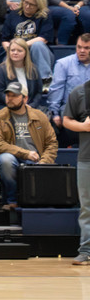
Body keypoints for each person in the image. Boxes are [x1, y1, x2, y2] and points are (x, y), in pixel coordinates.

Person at [0, 81, 57, 211]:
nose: (10, 98)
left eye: (14, 95)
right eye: (8, 95)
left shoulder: (40, 116)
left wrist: (44, 161)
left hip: (37, 159)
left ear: (25, 98)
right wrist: (25, 153)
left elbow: (51, 143)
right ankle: (12, 200)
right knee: (6, 160)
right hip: (13, 157)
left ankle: (35, 203)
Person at [61, 75, 90, 265]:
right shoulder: (79, 92)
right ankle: (86, 250)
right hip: (87, 159)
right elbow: (66, 120)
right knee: (87, 207)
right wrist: (84, 126)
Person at [0, 0, 54, 84]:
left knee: (38, 45)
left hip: (39, 53)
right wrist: (12, 49)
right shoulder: (13, 15)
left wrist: (21, 45)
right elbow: (4, 39)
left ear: (39, 5)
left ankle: (45, 81)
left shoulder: (45, 15)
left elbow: (44, 38)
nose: (27, 6)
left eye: (32, 5)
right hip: (18, 52)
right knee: (10, 55)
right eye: (26, 2)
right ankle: (14, 85)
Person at [48, 34, 90, 148]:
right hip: (70, 110)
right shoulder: (63, 64)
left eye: (86, 48)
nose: (81, 51)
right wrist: (55, 114)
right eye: (79, 47)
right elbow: (56, 89)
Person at [0, 39, 44, 114]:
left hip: (29, 106)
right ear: (9, 52)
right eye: (12, 50)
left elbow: (38, 92)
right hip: (5, 106)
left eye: (19, 51)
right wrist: (19, 105)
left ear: (26, 52)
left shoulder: (33, 69)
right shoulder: (0, 70)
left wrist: (32, 105)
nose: (15, 53)